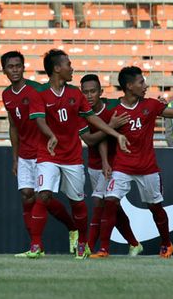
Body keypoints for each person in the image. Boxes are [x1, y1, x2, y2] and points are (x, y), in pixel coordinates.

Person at [95, 66, 173, 258]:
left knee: (155, 207)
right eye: (141, 82)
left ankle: (166, 243)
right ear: (129, 86)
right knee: (110, 202)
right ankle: (104, 249)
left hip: (147, 167)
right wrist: (106, 162)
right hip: (122, 166)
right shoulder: (114, 109)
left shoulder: (151, 105)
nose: (145, 85)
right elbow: (104, 137)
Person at [27, 49, 129, 259]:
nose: (71, 68)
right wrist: (51, 136)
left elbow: (93, 119)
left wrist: (114, 134)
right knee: (43, 194)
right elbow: (40, 120)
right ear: (57, 68)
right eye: (68, 64)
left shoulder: (75, 94)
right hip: (48, 154)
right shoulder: (40, 94)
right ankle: (36, 245)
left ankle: (82, 241)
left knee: (77, 202)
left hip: (72, 157)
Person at [1, 51, 80, 257]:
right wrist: (15, 158)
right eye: (11, 67)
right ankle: (37, 245)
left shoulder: (37, 90)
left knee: (41, 197)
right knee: (27, 197)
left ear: (24, 67)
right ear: (4, 71)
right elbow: (13, 127)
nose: (15, 70)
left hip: (43, 151)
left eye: (19, 65)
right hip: (25, 154)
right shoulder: (6, 95)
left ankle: (71, 228)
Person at [79, 74, 144, 257]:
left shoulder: (113, 107)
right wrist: (110, 126)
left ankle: (91, 247)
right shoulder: (80, 113)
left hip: (117, 164)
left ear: (101, 92)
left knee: (100, 202)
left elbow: (134, 103)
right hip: (94, 165)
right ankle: (134, 243)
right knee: (111, 206)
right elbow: (91, 141)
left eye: (93, 91)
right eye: (85, 92)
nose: (89, 96)